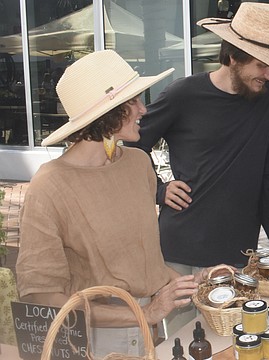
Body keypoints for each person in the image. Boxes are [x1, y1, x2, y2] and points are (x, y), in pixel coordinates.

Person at [15, 50, 217, 357]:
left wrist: (197, 283)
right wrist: (144, 314)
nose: (144, 109)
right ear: (106, 113)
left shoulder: (138, 164)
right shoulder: (49, 186)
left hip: (148, 332)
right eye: (133, 102)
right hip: (92, 341)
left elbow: (143, 266)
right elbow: (44, 298)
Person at [127, 3, 269, 273]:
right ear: (233, 58)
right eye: (262, 65)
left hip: (236, 252)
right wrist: (158, 190)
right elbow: (133, 145)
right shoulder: (183, 94)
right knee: (181, 318)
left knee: (235, 317)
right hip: (178, 247)